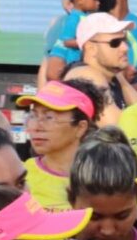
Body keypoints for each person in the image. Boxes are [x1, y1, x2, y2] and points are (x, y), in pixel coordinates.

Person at [19, 81, 103, 209]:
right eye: (33, 115)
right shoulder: (20, 177)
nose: (36, 126)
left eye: (49, 117)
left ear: (80, 128)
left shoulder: (104, 178)